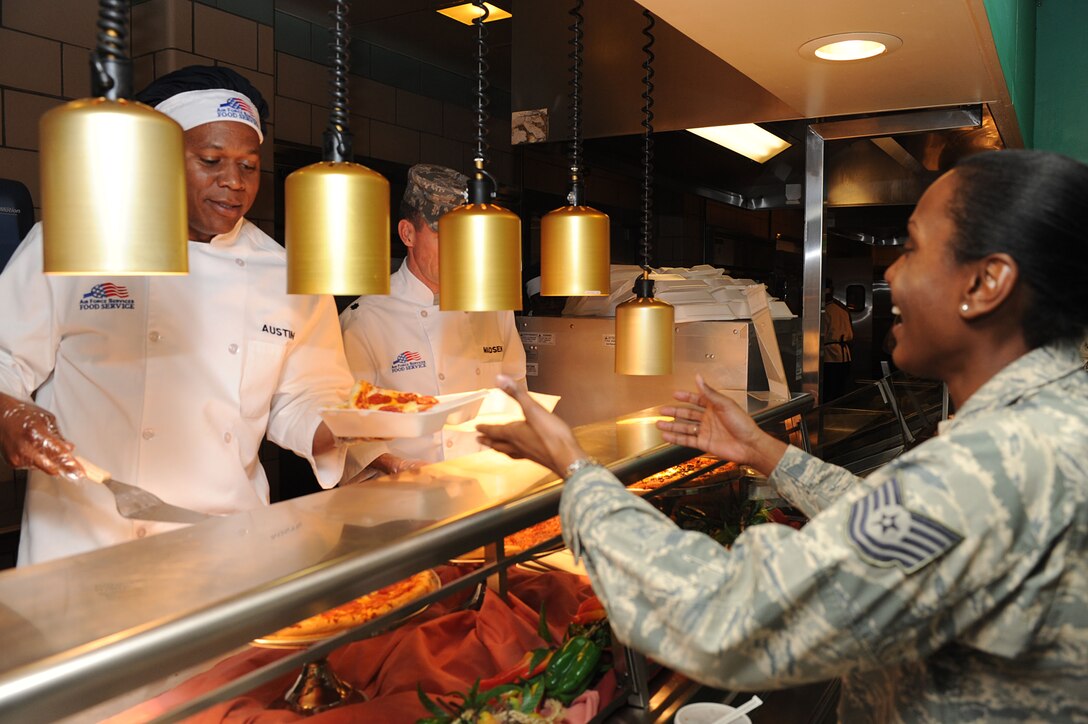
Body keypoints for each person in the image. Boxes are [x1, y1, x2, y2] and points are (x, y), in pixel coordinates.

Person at [477, 150, 1088, 721]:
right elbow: (905, 528)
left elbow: (728, 618)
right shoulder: (1051, 418)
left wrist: (576, 471)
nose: (891, 273)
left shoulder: (999, 460)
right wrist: (766, 452)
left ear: (986, 283)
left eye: (911, 249)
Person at [0, 66, 383, 565]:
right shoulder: (74, 240)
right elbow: (5, 357)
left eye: (249, 166)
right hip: (84, 543)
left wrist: (359, 428)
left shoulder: (285, 271)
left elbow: (305, 395)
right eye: (211, 160)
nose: (234, 183)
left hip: (223, 546)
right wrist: (10, 411)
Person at [339, 164, 526, 476]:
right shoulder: (365, 319)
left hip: (486, 484)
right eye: (444, 235)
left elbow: (516, 392)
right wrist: (395, 464)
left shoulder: (493, 307)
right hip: (404, 494)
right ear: (407, 234)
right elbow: (347, 424)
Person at [820, 277, 854, 401]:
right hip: (844, 354)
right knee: (840, 389)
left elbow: (821, 334)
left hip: (830, 356)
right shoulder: (842, 308)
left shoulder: (825, 311)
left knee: (830, 389)